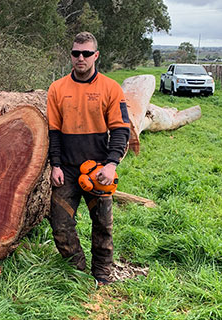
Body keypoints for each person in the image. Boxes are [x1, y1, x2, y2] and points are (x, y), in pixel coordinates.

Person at [46, 32, 130, 285]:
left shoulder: (110, 88)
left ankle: (102, 271)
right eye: (75, 53)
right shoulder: (57, 88)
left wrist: (111, 164)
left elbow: (120, 128)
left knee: (103, 223)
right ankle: (77, 269)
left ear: (96, 55)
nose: (80, 58)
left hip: (98, 169)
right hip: (67, 171)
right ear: (71, 55)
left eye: (86, 53)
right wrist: (55, 164)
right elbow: (54, 131)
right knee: (60, 224)